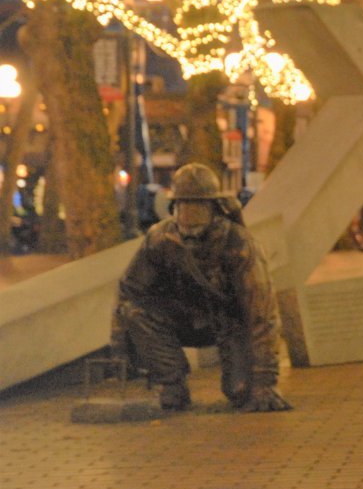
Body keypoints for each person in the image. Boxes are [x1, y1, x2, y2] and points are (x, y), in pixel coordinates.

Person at [111, 163, 291, 413]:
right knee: (135, 312)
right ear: (173, 208)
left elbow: (262, 314)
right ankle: (171, 383)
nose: (189, 216)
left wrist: (265, 379)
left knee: (240, 390)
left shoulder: (239, 244)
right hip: (183, 319)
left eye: (197, 207)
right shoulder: (160, 239)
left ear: (214, 209)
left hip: (230, 324)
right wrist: (120, 350)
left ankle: (244, 380)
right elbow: (129, 291)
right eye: (183, 207)